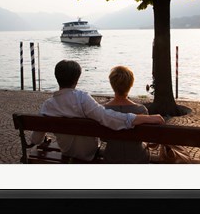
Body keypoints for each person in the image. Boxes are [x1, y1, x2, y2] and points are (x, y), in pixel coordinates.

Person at [29, 60, 165, 162]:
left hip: (67, 152)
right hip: (89, 154)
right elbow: (108, 118)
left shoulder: (48, 105)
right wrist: (144, 118)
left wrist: (40, 140)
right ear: (77, 79)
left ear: (57, 77)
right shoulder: (82, 99)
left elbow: (36, 139)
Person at [103, 66, 152, 163]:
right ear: (131, 84)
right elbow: (145, 137)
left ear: (112, 84)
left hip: (112, 157)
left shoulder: (103, 110)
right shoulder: (141, 110)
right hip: (137, 158)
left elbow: (103, 138)